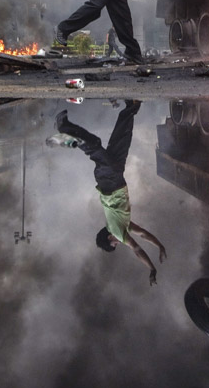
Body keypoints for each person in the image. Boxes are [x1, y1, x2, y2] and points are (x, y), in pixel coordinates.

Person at [54, 104, 167, 285]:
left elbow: (137, 248)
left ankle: (64, 129)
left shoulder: (116, 231)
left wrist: (152, 268)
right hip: (115, 178)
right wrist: (159, 245)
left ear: (109, 238)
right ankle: (130, 107)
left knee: (95, 148)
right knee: (120, 141)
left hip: (110, 182)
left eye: (114, 244)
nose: (119, 243)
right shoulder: (124, 226)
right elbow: (144, 234)